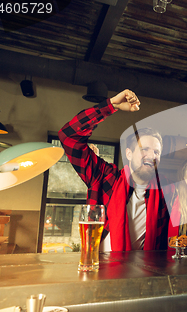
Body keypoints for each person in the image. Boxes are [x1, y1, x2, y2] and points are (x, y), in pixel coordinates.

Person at [59, 89, 170, 251]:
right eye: (144, 149)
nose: (151, 156)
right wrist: (111, 105)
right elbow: (69, 136)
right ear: (129, 154)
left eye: (156, 152)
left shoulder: (164, 192)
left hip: (143, 271)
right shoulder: (105, 177)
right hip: (100, 269)